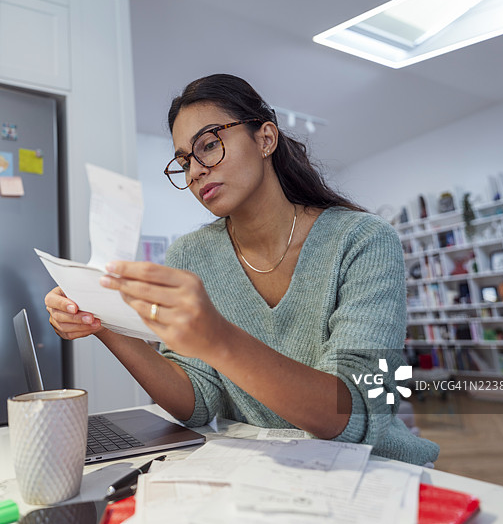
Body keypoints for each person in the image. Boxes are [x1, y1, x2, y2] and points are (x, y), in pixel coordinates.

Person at [44, 74, 439, 465]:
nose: (195, 171)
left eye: (209, 145)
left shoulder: (363, 240)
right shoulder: (191, 256)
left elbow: (356, 414)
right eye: (184, 161)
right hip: (265, 476)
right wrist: (103, 324)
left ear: (265, 139)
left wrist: (217, 337)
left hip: (379, 475)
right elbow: (196, 403)